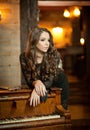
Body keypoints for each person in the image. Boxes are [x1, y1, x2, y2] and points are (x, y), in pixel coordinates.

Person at [20, 27, 69, 110]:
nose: (47, 43)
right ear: (34, 41)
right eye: (43, 40)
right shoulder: (24, 57)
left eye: (48, 40)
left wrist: (36, 89)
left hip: (58, 86)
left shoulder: (54, 55)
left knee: (60, 113)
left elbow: (49, 82)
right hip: (41, 88)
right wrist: (36, 82)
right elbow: (28, 80)